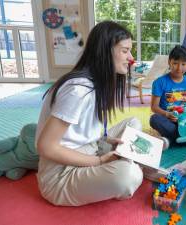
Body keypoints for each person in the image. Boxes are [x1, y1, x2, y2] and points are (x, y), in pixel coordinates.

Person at [35, 21, 144, 206]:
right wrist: (100, 161)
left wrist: (107, 140)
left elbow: (83, 128)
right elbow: (45, 147)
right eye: (125, 51)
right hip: (61, 174)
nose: (131, 58)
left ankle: (130, 162)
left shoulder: (96, 83)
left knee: (133, 123)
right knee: (128, 176)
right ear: (105, 51)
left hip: (91, 147)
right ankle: (131, 165)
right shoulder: (77, 90)